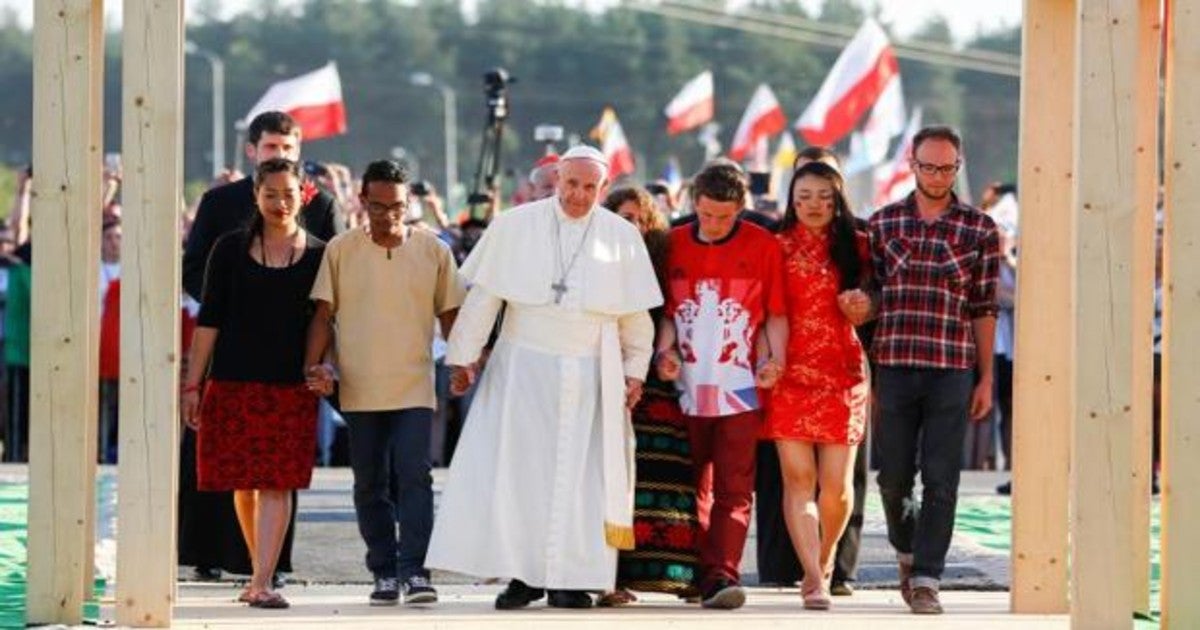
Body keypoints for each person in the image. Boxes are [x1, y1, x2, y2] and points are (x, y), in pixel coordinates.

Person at [425, 145, 661, 610]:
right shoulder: (515, 225)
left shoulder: (621, 236)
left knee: (580, 482)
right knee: (519, 477)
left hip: (592, 372)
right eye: (571, 184)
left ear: (603, 188)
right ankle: (522, 576)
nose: (578, 195)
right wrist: (463, 359)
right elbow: (485, 299)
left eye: (590, 187)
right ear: (557, 178)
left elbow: (637, 316)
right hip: (522, 370)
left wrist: (635, 371)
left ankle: (569, 578)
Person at [177, 110, 342, 584]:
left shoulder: (323, 211)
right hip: (232, 363)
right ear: (253, 152)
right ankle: (214, 555)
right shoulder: (219, 209)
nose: (280, 200)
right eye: (271, 148)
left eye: (288, 149)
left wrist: (320, 362)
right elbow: (199, 283)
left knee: (277, 479)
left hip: (292, 368)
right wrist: (232, 309)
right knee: (230, 475)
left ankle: (265, 573)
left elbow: (331, 297)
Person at [304, 160, 465, 606]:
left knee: (414, 475)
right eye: (378, 206)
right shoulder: (341, 250)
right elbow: (323, 314)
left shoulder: (434, 251)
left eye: (396, 206)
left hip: (414, 383)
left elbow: (451, 314)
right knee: (369, 481)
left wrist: (464, 362)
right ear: (362, 202)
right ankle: (383, 571)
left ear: (408, 202)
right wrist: (313, 367)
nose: (388, 215)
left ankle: (415, 571)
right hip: (358, 386)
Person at [869, 126, 1000, 615]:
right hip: (895, 366)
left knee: (942, 479)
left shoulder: (980, 229)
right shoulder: (881, 225)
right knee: (893, 478)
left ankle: (927, 578)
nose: (938, 176)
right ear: (912, 163)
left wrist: (986, 377)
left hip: (951, 367)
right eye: (929, 166)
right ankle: (907, 554)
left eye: (947, 168)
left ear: (958, 167)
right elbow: (871, 298)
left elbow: (984, 307)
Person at [655, 161, 788, 609]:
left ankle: (721, 573)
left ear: (741, 209)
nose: (713, 225)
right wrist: (664, 353)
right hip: (685, 390)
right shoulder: (673, 244)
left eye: (725, 217)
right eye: (706, 215)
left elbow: (773, 314)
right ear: (693, 204)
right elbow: (670, 314)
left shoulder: (763, 244)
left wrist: (775, 359)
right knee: (689, 484)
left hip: (739, 388)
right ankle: (692, 570)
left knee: (735, 487)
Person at [761, 162, 872, 610]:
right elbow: (772, 311)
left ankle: (825, 560)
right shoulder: (776, 246)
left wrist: (861, 306)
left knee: (837, 487)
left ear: (838, 198)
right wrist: (774, 360)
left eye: (824, 196)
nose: (813, 205)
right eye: (803, 195)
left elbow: (873, 301)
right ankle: (812, 576)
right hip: (791, 373)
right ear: (791, 198)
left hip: (844, 373)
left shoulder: (859, 245)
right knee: (798, 480)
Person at [596, 187, 698, 607]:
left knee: (668, 479)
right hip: (608, 383)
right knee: (614, 484)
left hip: (658, 386)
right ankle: (608, 578)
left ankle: (678, 576)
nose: (631, 225)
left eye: (639, 218)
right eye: (623, 217)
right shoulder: (596, 264)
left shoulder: (664, 264)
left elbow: (675, 315)